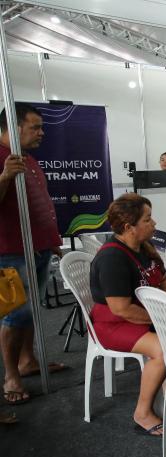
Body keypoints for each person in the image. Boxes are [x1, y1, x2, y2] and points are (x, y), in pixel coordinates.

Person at [89, 193, 166, 436]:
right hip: (114, 323)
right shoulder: (113, 258)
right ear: (128, 227)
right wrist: (162, 318)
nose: (154, 224)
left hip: (140, 314)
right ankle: (142, 413)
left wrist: (164, 306)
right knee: (164, 349)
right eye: (147, 219)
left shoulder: (144, 247)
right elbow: (120, 308)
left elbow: (163, 281)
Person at [0, 103, 66, 406]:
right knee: (17, 314)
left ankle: (28, 360)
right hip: (10, 252)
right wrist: (3, 178)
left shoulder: (26, 159)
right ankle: (11, 375)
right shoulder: (6, 161)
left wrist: (51, 239)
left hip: (37, 248)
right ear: (12, 128)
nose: (41, 132)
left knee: (32, 310)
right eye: (35, 127)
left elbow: (38, 204)